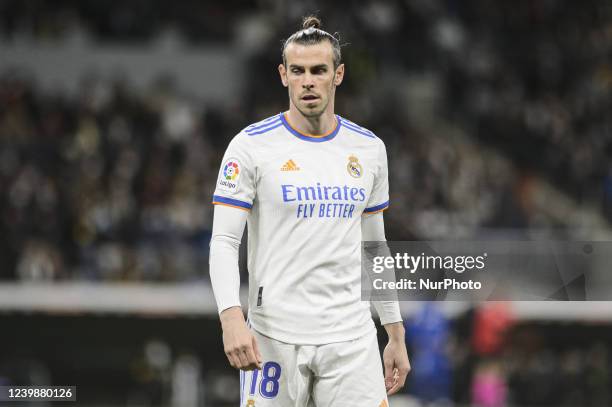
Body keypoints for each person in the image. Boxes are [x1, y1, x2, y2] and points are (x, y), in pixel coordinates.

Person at [209, 16, 410, 406]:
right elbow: (224, 240)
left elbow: (376, 248)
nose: (308, 81)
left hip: (352, 337)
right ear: (283, 75)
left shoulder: (369, 149)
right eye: (298, 71)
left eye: (319, 70)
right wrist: (231, 316)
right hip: (273, 335)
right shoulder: (250, 147)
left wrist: (394, 331)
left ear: (338, 74)